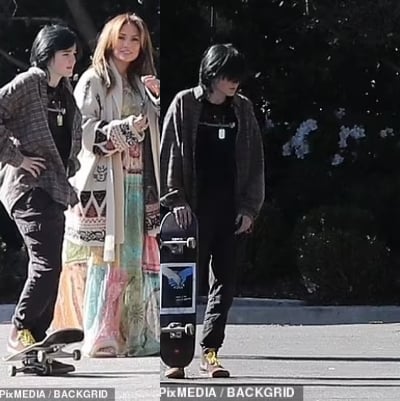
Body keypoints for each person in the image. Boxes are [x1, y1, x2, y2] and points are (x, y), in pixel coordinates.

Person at [51, 13, 161, 358]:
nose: (128, 45)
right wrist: (124, 129)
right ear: (109, 40)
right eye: (122, 37)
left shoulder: (144, 82)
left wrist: (154, 104)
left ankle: (131, 334)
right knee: (103, 261)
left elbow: (155, 136)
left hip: (138, 183)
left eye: (135, 39)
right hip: (105, 185)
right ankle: (101, 334)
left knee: (132, 263)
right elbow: (83, 132)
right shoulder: (94, 80)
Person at [160, 44, 265, 378]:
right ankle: (177, 356)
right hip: (191, 212)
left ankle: (210, 351)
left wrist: (249, 209)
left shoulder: (243, 110)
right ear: (211, 73)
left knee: (227, 283)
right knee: (184, 286)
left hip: (230, 211)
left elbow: (255, 162)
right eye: (227, 75)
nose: (233, 82)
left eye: (237, 76)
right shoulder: (185, 104)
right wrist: (175, 202)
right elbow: (170, 153)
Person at [0, 25, 82, 374]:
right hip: (27, 188)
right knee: (46, 264)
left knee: (53, 267)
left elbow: (70, 141)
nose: (72, 60)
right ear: (47, 55)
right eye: (66, 54)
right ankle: (21, 329)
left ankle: (36, 342)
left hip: (53, 189)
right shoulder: (27, 83)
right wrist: (17, 157)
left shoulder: (64, 92)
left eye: (74, 54)